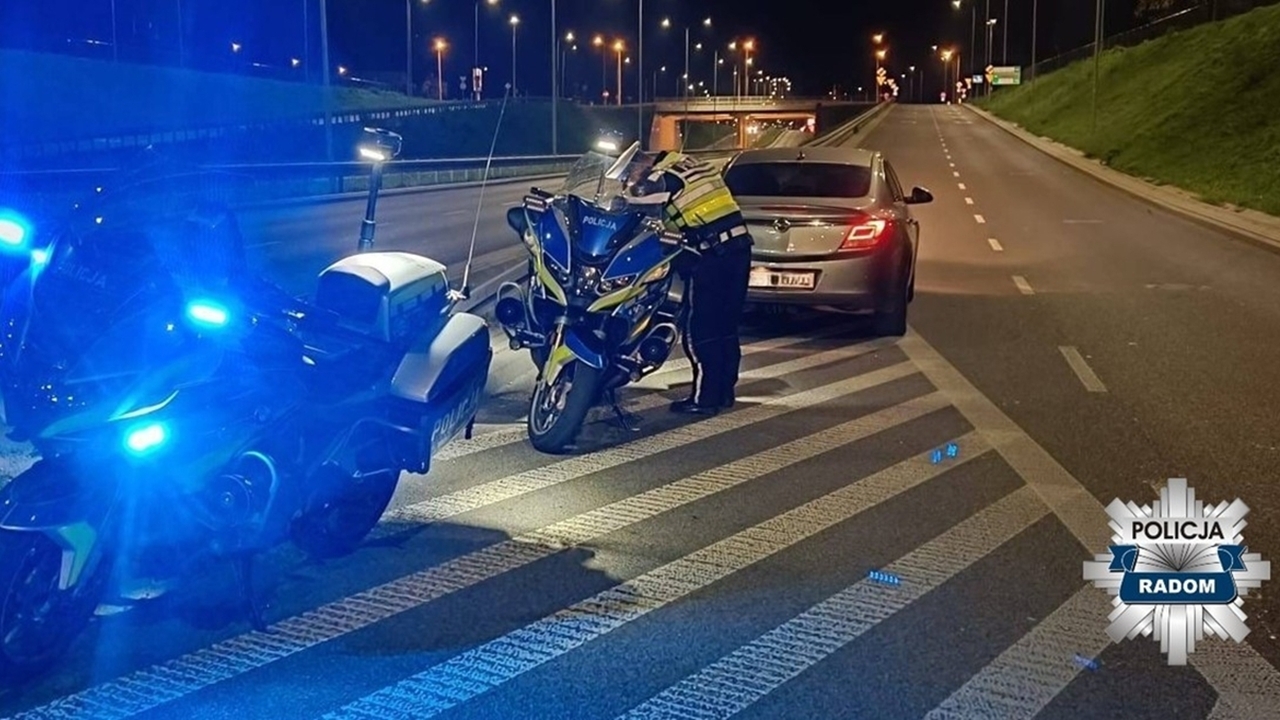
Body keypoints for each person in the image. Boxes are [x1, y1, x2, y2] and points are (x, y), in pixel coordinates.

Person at [625, 149, 753, 415]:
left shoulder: (661, 177)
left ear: (641, 163)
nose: (628, 179)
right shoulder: (688, 163)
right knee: (725, 327)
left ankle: (704, 399)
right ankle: (723, 392)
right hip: (738, 249)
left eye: (629, 173)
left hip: (711, 255)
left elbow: (636, 213)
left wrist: (627, 199)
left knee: (701, 330)